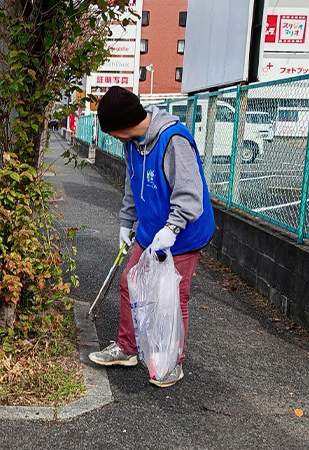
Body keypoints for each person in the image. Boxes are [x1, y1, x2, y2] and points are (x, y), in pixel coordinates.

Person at [88, 86, 215, 388]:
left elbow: (190, 195)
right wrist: (126, 221)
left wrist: (171, 229)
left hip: (182, 236)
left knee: (171, 296)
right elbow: (133, 186)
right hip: (149, 232)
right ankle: (127, 349)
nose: (113, 138)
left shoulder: (174, 140)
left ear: (123, 125)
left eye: (112, 131)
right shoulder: (132, 144)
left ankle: (171, 363)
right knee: (129, 284)